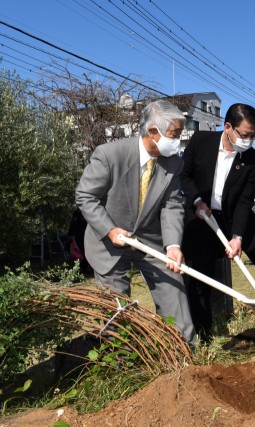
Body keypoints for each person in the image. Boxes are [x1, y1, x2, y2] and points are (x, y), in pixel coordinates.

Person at [76, 99, 195, 346]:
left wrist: (173, 245)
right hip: (109, 244)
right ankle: (120, 361)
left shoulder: (173, 162)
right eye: (175, 134)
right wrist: (109, 230)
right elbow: (85, 196)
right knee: (117, 309)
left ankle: (183, 351)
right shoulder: (109, 154)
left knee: (174, 289)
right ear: (153, 132)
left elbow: (171, 205)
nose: (178, 140)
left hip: (152, 242)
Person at [180, 103, 255, 340]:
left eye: (253, 135)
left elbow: (244, 201)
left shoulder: (253, 160)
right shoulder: (200, 142)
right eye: (245, 134)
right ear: (228, 127)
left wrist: (237, 236)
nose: (249, 140)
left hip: (235, 216)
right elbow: (183, 175)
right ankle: (202, 331)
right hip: (202, 216)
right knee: (200, 271)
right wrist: (197, 200)